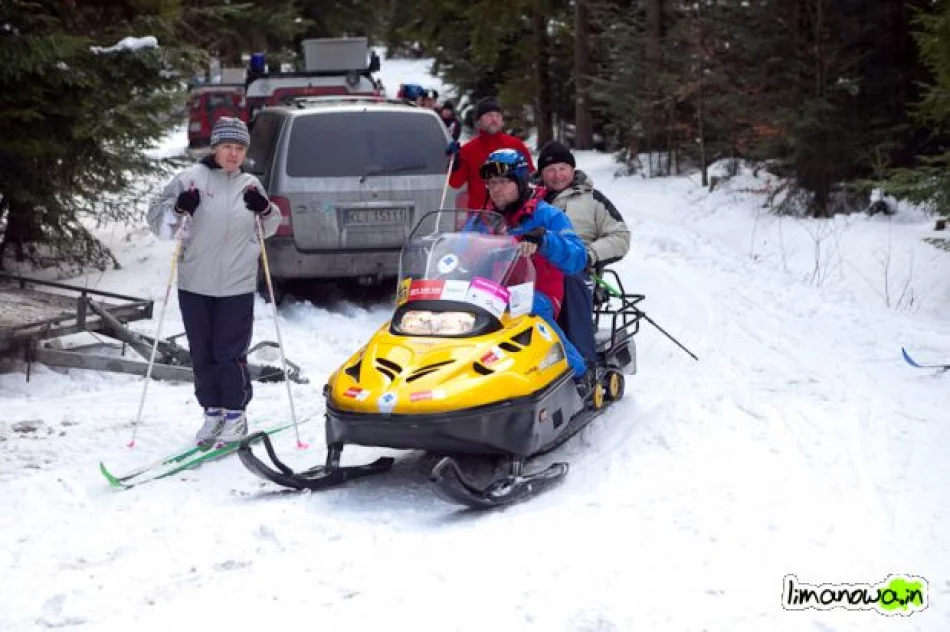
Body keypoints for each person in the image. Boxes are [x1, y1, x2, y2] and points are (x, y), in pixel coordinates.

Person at [146, 117, 281, 448]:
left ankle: (235, 415)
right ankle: (212, 414)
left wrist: (265, 210)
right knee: (203, 353)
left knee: (229, 353)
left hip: (236, 284)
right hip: (195, 282)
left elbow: (271, 226)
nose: (233, 154)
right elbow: (159, 225)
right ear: (215, 148)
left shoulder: (250, 184)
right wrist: (178, 208)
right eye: (227, 147)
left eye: (239, 148)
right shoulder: (190, 180)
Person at [479, 149, 595, 392]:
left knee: (530, 310)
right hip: (490, 293)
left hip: (537, 293)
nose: (495, 189)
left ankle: (578, 373)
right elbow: (465, 248)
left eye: (502, 182)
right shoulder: (485, 218)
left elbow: (577, 257)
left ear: (520, 183)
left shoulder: (547, 215)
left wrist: (546, 241)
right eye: (491, 183)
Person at [534, 141, 630, 370]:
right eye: (550, 170)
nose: (557, 175)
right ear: (541, 173)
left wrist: (588, 255)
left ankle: (583, 363)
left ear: (572, 169)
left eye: (562, 168)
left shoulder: (592, 200)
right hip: (532, 268)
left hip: (577, 270)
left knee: (569, 279)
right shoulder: (528, 200)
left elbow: (621, 236)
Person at [447, 97, 535, 211]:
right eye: (489, 115)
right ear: (478, 121)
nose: (494, 119)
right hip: (480, 217)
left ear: (502, 121)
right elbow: (455, 183)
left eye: (497, 116)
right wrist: (454, 163)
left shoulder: (516, 145)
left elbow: (531, 177)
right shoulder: (468, 150)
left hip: (513, 215)